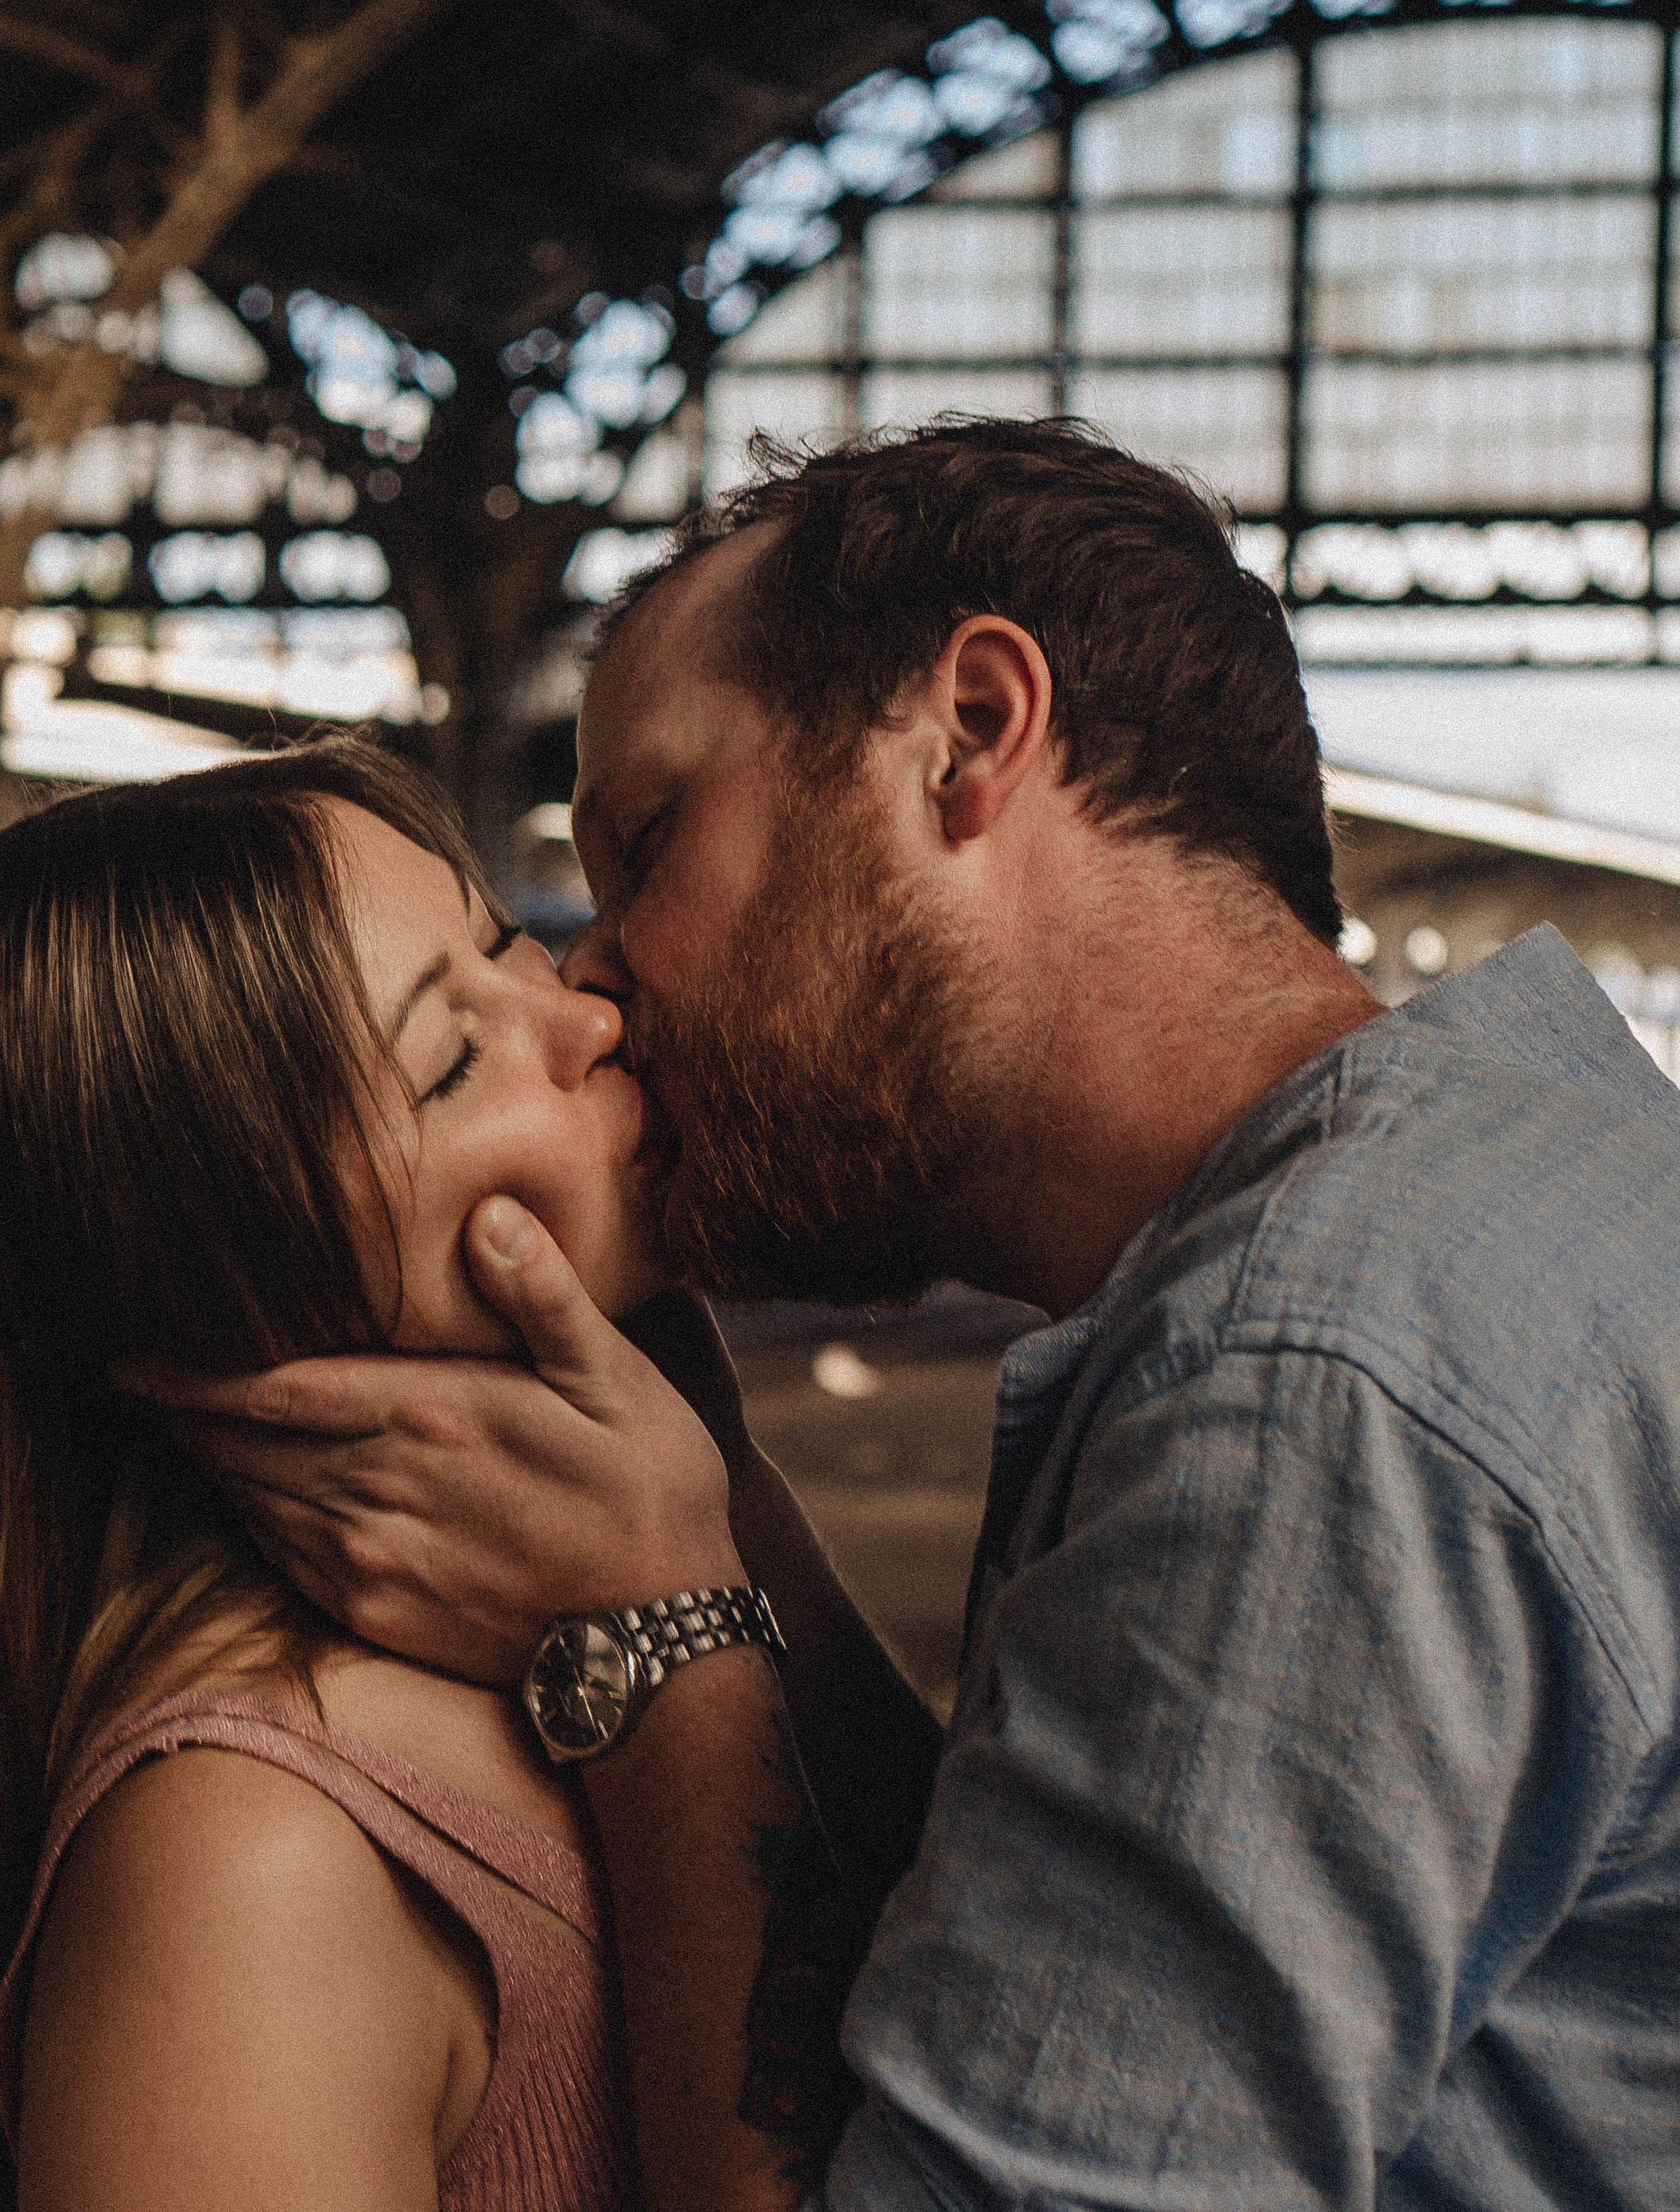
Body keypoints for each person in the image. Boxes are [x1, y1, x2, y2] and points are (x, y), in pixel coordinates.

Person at [144, 419, 1680, 2212]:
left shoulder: (1312, 1384)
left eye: (647, 840)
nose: (591, 973)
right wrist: (703, 1506)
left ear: (965, 736)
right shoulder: (1528, 1182)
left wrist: (665, 1641)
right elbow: (998, 1938)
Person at [0, 734, 717, 2212]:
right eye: (456, 1057)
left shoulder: (607, 1589)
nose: (584, 1014)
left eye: (503, 943)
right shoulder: (247, 1864)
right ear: (225, 1304)